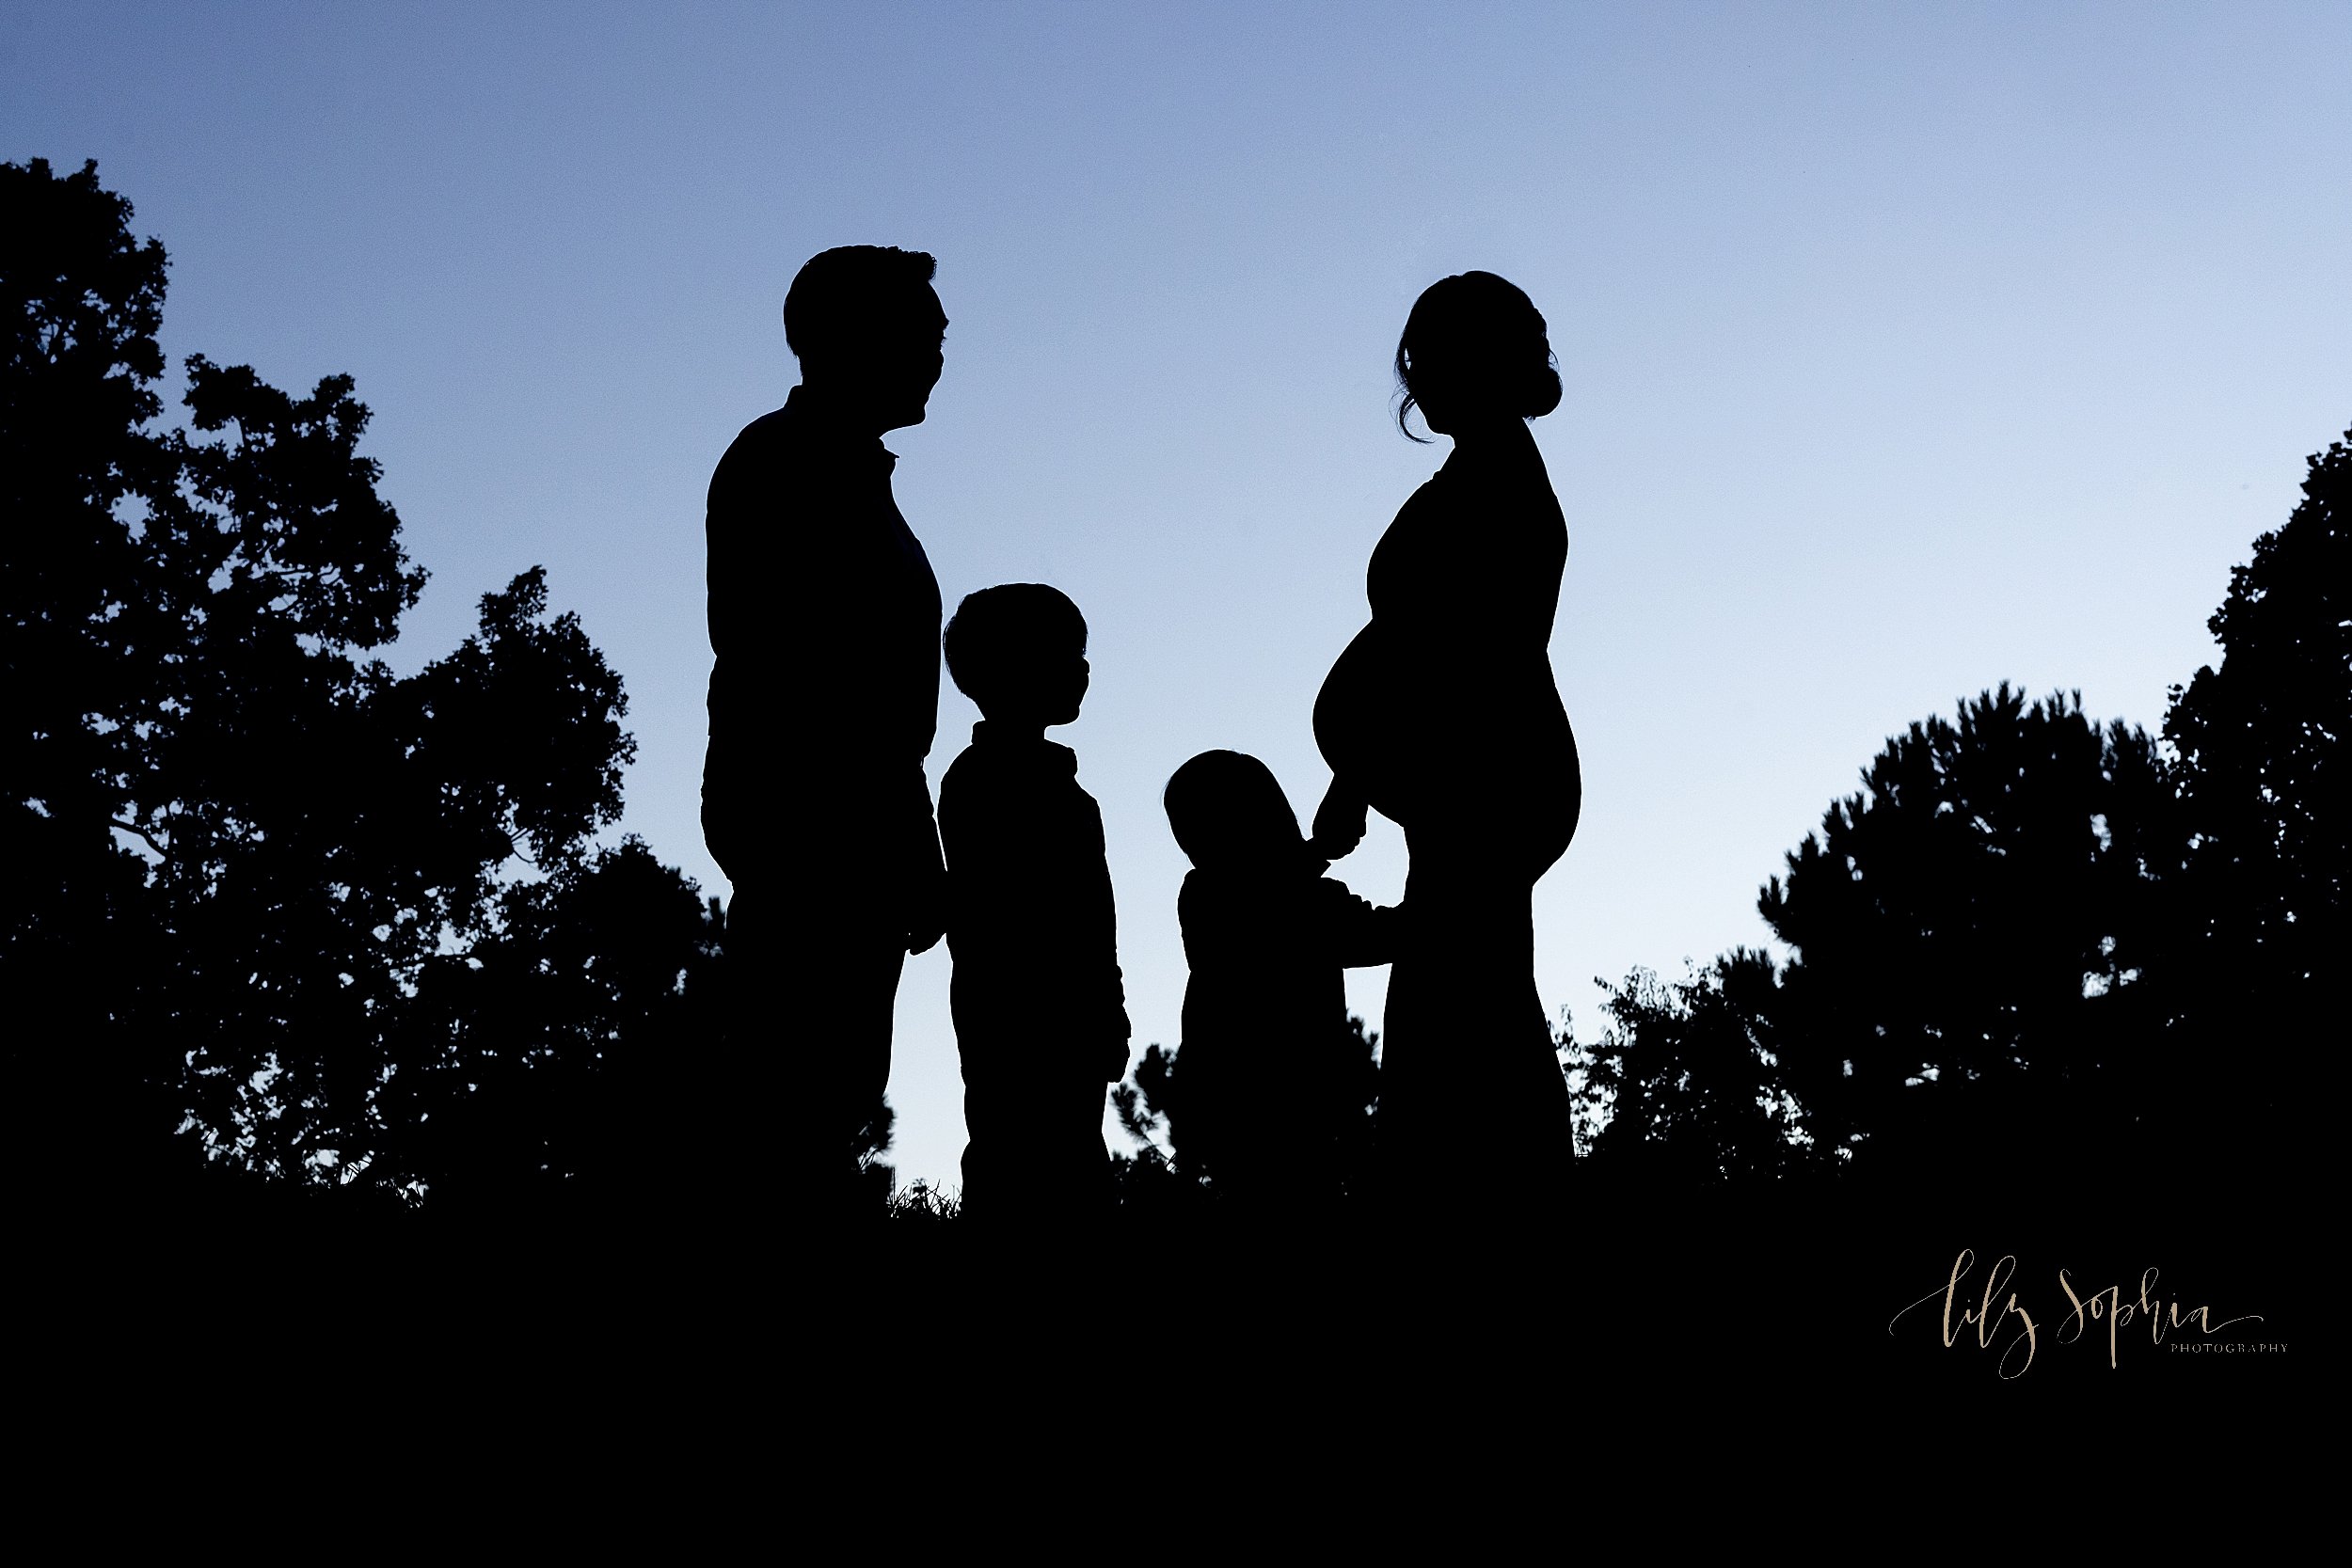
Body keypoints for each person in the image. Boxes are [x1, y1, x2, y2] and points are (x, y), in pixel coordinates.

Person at [1310, 271, 1581, 1215]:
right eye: (1414, 360)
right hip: (1458, 779)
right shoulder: (1479, 472)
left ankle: (1482, 1215)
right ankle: (1479, 1204)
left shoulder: (1500, 481)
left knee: (1462, 1004)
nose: (1417, 378)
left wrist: (1360, 759)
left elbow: (1461, 647)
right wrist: (1356, 768)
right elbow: (1415, 644)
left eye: (1432, 358)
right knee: (1464, 994)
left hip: (1485, 775)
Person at [702, 245, 949, 1220]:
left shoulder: (846, 471)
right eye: (922, 334)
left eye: (939, 337)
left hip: (851, 819)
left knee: (830, 1096)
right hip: (811, 817)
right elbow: (802, 673)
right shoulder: (787, 464)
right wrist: (889, 827)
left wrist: (911, 834)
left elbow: (883, 707)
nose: (936, 355)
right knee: (793, 1104)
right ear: (853, 338)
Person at [936, 584, 1131, 1224]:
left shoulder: (1066, 794)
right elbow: (1006, 919)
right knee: (1019, 1166)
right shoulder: (980, 781)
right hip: (1018, 1016)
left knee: (1073, 1165)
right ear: (1013, 666)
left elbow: (1094, 924)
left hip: (1069, 1017)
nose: (1083, 670)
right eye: (1066, 653)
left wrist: (1109, 1004)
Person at [1163, 750, 1397, 1214]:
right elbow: (1363, 931)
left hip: (1261, 1123)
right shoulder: (1215, 900)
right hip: (1269, 1122)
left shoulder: (1230, 896)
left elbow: (1286, 893)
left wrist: (1320, 846)